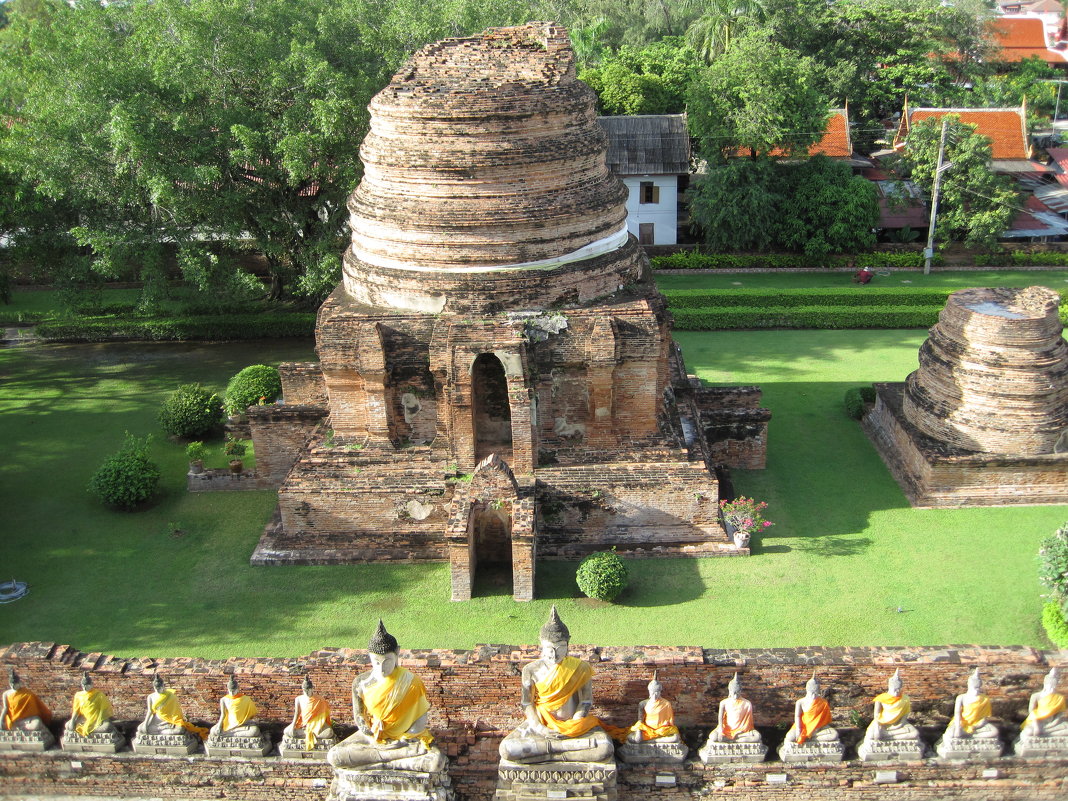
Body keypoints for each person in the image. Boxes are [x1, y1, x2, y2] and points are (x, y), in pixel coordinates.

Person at [498, 606, 626, 764]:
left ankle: (550, 754)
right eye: (549, 648)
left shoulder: (580, 668)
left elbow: (585, 701)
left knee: (605, 748)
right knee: (506, 749)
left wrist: (575, 722)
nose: (554, 654)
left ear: (568, 644)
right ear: (541, 645)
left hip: (573, 726)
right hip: (541, 724)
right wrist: (540, 728)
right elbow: (526, 703)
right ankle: (564, 750)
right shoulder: (530, 670)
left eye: (560, 648)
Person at [327, 620, 445, 772]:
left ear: (397, 653)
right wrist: (370, 735)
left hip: (406, 739)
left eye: (387, 661)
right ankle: (394, 760)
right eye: (376, 662)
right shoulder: (360, 682)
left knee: (436, 762)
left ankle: (377, 760)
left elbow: (420, 720)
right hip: (373, 737)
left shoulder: (412, 682)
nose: (381, 668)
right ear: (369, 657)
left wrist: (404, 740)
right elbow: (359, 717)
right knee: (334, 756)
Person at [137, 674, 208, 739]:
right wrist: (145, 724)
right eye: (156, 689)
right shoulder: (151, 696)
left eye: (160, 688)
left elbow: (176, 711)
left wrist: (172, 721)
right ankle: (162, 729)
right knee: (140, 729)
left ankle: (161, 730)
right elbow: (150, 711)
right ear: (154, 687)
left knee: (179, 730)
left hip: (171, 720)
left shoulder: (171, 696)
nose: (158, 690)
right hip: (157, 719)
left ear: (163, 686)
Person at [863, 669, 920, 742]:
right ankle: (886, 735)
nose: (897, 691)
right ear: (890, 687)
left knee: (915, 733)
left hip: (898, 725)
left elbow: (904, 716)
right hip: (882, 723)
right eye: (895, 689)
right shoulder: (880, 699)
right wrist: (877, 728)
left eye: (899, 689)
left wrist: (899, 725)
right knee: (871, 735)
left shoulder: (905, 699)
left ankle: (887, 736)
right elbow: (876, 716)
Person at [783, 674, 839, 745]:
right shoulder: (800, 702)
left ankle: (810, 739)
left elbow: (824, 720)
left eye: (816, 691)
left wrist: (817, 728)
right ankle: (808, 737)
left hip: (818, 729)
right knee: (789, 737)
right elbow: (797, 716)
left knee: (834, 735)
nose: (814, 695)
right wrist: (798, 730)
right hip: (803, 727)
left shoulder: (823, 702)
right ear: (807, 689)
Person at [626, 672, 681, 744]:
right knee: (635, 738)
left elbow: (670, 722)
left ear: (660, 692)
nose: (654, 695)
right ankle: (651, 740)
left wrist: (665, 729)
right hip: (647, 729)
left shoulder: (666, 704)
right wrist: (639, 730)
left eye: (657, 693)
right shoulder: (643, 703)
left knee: (675, 738)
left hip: (662, 729)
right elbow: (640, 720)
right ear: (649, 692)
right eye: (652, 693)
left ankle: (652, 741)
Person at [945, 668, 999, 741]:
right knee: (951, 734)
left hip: (977, 725)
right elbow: (957, 714)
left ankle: (973, 736)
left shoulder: (985, 699)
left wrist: (976, 726)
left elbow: (984, 718)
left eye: (978, 688)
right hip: (963, 723)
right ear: (969, 685)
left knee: (994, 732)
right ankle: (967, 734)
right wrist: (958, 728)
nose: (976, 690)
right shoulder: (961, 697)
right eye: (974, 688)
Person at [284, 676, 335, 750]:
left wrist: (318, 725)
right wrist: (293, 725)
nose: (307, 692)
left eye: (308, 690)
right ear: (302, 690)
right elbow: (297, 714)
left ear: (312, 689)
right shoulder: (298, 699)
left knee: (329, 732)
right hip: (303, 724)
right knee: (286, 731)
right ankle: (309, 733)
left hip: (317, 725)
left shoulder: (320, 699)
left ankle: (308, 733)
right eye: (305, 690)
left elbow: (323, 716)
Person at [707, 673, 762, 743]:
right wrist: (720, 729)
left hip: (742, 730)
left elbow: (748, 723)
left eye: (738, 693)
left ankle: (735, 739)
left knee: (757, 737)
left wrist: (742, 731)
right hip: (726, 729)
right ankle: (736, 739)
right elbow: (720, 717)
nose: (735, 696)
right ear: (729, 691)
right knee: (713, 737)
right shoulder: (724, 703)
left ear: (741, 691)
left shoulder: (747, 703)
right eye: (734, 693)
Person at [1021, 668, 1068, 739]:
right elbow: (1032, 712)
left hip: (1053, 724)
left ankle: (1048, 734)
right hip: (1037, 722)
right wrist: (1036, 725)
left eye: (1055, 685)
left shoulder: (1060, 698)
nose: (1052, 688)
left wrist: (1053, 724)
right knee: (1029, 732)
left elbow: (1059, 715)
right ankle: (1045, 733)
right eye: (1051, 685)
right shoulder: (1036, 696)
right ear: (1045, 684)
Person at [1, 668, 51, 733]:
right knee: (4, 725)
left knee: (37, 724)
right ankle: (18, 728)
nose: (13, 686)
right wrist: (1, 720)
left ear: (19, 683)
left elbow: (37, 708)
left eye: (15, 684)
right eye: (11, 684)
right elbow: (5, 708)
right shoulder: (6, 694)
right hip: (13, 720)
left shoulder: (28, 694)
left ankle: (19, 728)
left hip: (28, 719)